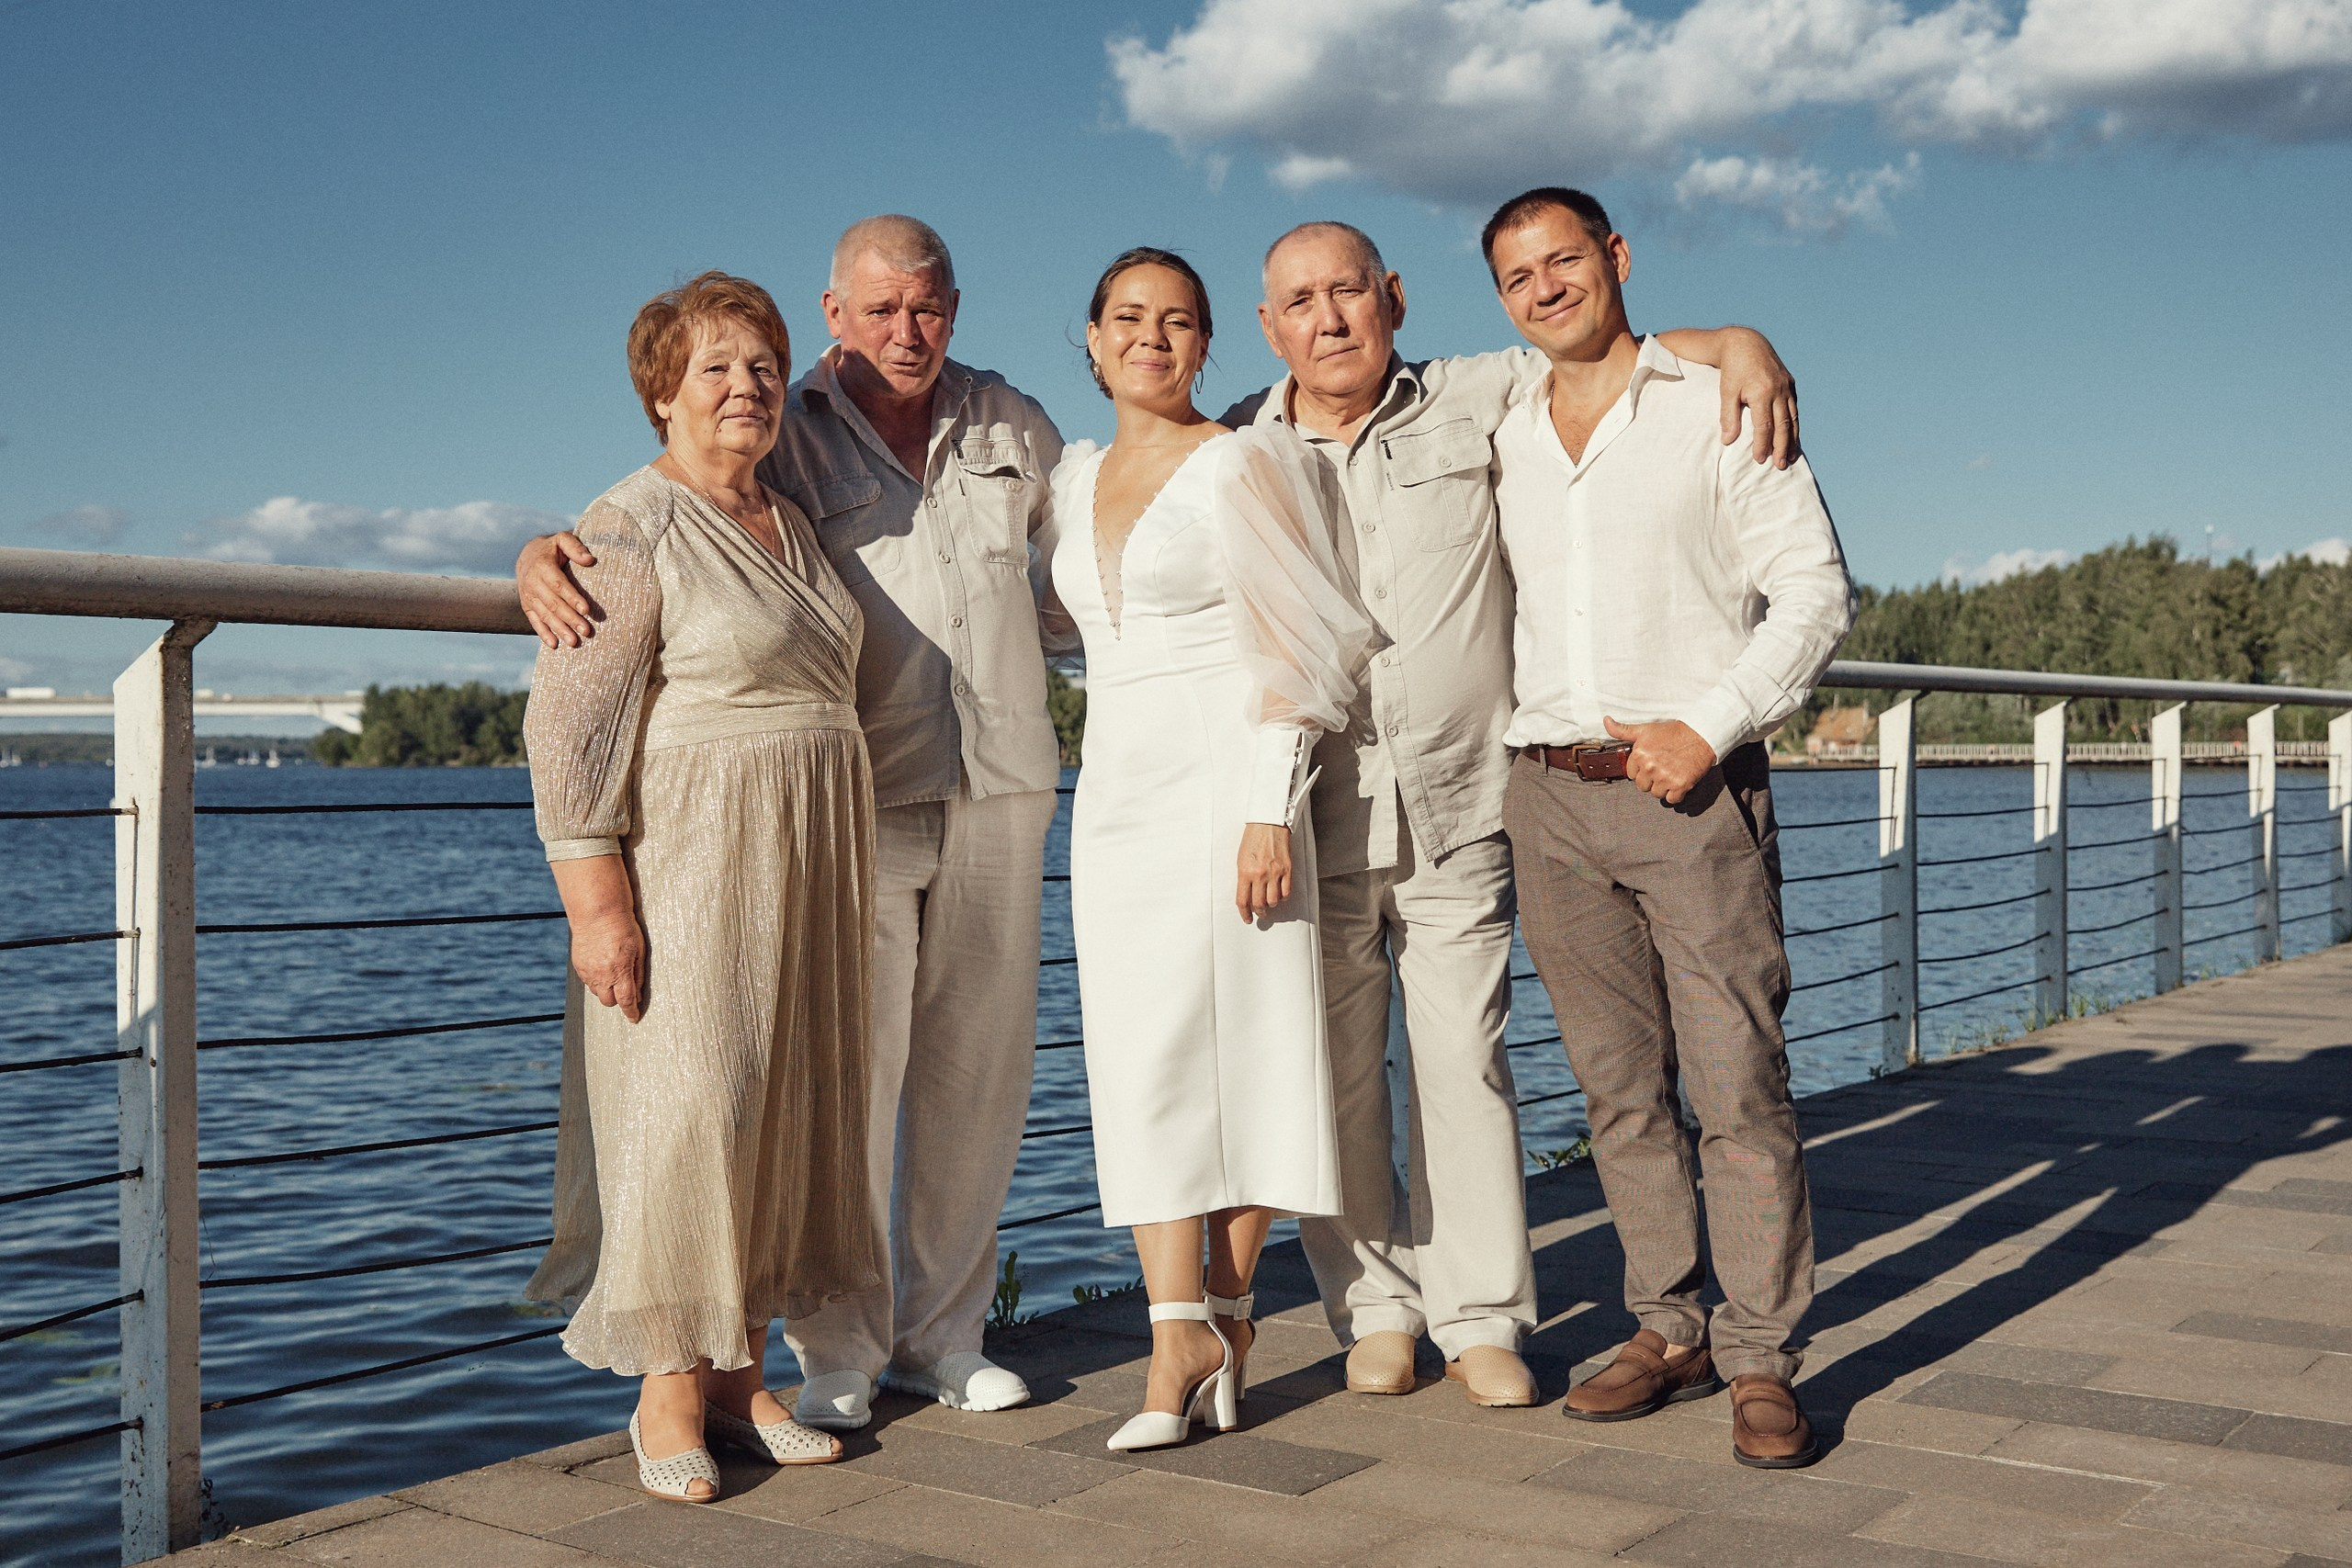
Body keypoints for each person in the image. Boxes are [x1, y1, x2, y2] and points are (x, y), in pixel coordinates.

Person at [1221, 220, 1804, 1407]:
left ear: (1392, 298)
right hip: (1313, 815)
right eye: (1301, 302)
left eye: (1349, 292)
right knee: (1334, 1074)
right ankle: (1374, 1307)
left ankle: (1481, 1313)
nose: (1329, 319)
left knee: (1466, 1065)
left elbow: (1604, 347)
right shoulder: (1237, 444)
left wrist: (1739, 340)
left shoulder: (1474, 395)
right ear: (1270, 326)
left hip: (1459, 804)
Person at [517, 216, 1069, 1432]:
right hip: (810, 823)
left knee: (942, 1086)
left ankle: (930, 1339)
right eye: (878, 310)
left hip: (962, 795)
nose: (905, 330)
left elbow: (1089, 555)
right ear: (836, 313)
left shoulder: (1002, 430)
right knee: (782, 1093)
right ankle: (809, 1356)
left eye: (926, 307)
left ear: (957, 306)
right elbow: (581, 688)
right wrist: (535, 555)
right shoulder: (755, 450)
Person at [1483, 187, 1854, 1467]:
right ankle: (1668, 1329)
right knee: (1619, 1091)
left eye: (1564, 261)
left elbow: (1813, 588)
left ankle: (1761, 1356)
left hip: (1690, 792)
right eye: (1519, 276)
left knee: (1738, 1082)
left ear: (1617, 259)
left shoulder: (1718, 405)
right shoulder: (1501, 420)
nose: (1545, 289)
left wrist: (1712, 721)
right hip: (1547, 793)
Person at [521, 271, 876, 1502]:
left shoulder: (789, 519)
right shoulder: (627, 525)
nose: (748, 386)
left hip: (811, 851)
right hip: (694, 855)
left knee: (781, 1100)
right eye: (716, 366)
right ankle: (665, 1383)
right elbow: (569, 734)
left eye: (766, 366)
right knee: (694, 1100)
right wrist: (599, 908)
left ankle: (740, 1372)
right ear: (662, 392)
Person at [1049, 248, 1370, 1452]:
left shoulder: (1244, 462)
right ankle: (1210, 1319)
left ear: (1204, 347)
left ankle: (1189, 1324)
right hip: (1118, 798)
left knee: (1262, 1058)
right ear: (1090, 339)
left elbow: (1307, 647)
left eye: (1178, 320)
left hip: (1231, 789)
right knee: (1144, 1062)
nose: (1152, 336)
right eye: (1128, 316)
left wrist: (1266, 805)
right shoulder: (1068, 478)